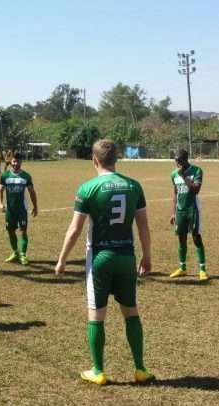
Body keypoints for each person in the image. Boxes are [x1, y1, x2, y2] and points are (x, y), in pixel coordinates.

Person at [55, 139, 155, 386]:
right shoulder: (134, 186)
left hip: (100, 257)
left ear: (94, 160)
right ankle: (140, 369)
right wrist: (147, 255)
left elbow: (75, 229)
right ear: (116, 159)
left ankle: (98, 371)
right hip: (126, 257)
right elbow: (143, 226)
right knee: (131, 312)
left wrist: (62, 260)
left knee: (96, 316)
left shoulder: (87, 188)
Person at [168, 149, 209, 281]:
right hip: (180, 211)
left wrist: (184, 176)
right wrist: (173, 212)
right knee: (181, 239)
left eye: (180, 161)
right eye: (176, 161)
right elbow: (175, 193)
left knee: (196, 238)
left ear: (186, 160)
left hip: (193, 209)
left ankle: (202, 270)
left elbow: (196, 190)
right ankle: (182, 268)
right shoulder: (173, 174)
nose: (177, 164)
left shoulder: (197, 171)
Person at [0, 153, 38, 265]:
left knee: (23, 231)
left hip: (22, 210)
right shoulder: (5, 176)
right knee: (10, 231)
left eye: (18, 161)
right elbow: (0, 190)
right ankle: (15, 252)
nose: (16, 163)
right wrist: (1, 204)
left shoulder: (26, 176)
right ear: (11, 162)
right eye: (14, 161)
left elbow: (32, 192)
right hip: (10, 210)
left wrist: (35, 206)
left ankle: (23, 255)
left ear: (21, 162)